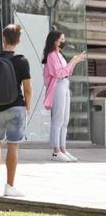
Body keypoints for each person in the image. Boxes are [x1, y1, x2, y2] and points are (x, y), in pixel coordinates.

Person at [0, 24, 32, 198]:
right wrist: (28, 107)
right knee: (13, 145)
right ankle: (10, 186)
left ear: (3, 38)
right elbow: (28, 88)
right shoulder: (21, 60)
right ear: (18, 40)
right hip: (16, 106)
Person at [42, 30, 86, 162]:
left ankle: (62, 149)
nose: (63, 41)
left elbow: (67, 72)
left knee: (65, 120)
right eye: (62, 39)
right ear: (55, 41)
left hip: (64, 84)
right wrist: (73, 62)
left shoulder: (59, 55)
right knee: (58, 120)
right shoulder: (51, 56)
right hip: (58, 86)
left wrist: (74, 62)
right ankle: (56, 152)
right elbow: (59, 73)